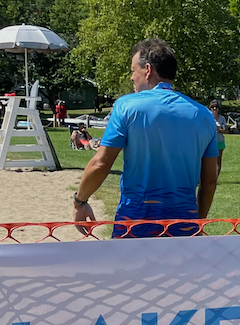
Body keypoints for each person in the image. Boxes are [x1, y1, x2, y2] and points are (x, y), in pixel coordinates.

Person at [71, 39, 218, 238]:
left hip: (134, 226)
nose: (132, 77)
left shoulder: (126, 107)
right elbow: (209, 180)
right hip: (185, 227)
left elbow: (100, 164)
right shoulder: (204, 116)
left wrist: (79, 201)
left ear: (148, 70)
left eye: (133, 70)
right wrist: (196, 223)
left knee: (128, 271)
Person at [209, 101, 227, 175]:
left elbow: (226, 131)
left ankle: (216, 178)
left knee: (218, 161)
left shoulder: (222, 118)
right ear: (210, 109)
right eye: (213, 107)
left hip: (220, 141)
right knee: (209, 160)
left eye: (216, 107)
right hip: (210, 143)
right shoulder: (208, 118)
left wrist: (220, 130)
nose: (214, 109)